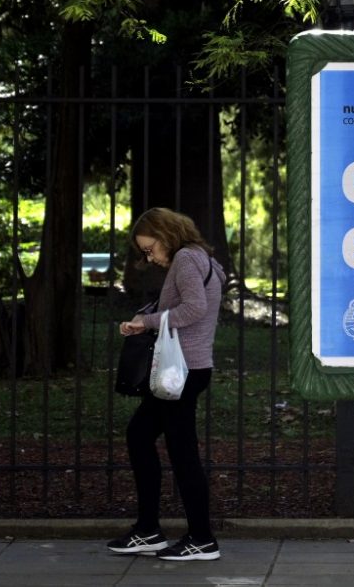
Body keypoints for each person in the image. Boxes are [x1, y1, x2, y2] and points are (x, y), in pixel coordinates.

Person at [107, 207, 226, 561]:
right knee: (141, 435)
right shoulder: (202, 258)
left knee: (181, 452)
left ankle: (201, 538)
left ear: (166, 234)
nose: (150, 257)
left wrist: (147, 321)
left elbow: (194, 308)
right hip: (190, 368)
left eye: (150, 248)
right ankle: (148, 530)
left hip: (182, 371)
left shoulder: (186, 259)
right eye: (145, 252)